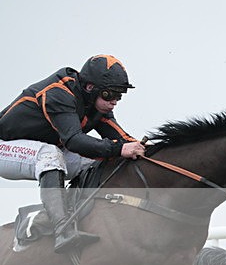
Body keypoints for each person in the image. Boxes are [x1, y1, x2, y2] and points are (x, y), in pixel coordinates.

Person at [0, 54, 146, 253]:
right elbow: (75, 141)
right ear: (89, 88)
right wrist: (120, 148)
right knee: (49, 154)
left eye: (119, 96)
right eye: (109, 94)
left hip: (46, 147)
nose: (114, 102)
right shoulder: (58, 93)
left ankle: (75, 213)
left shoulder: (96, 105)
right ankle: (62, 227)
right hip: (5, 146)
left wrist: (149, 151)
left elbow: (123, 140)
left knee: (94, 163)